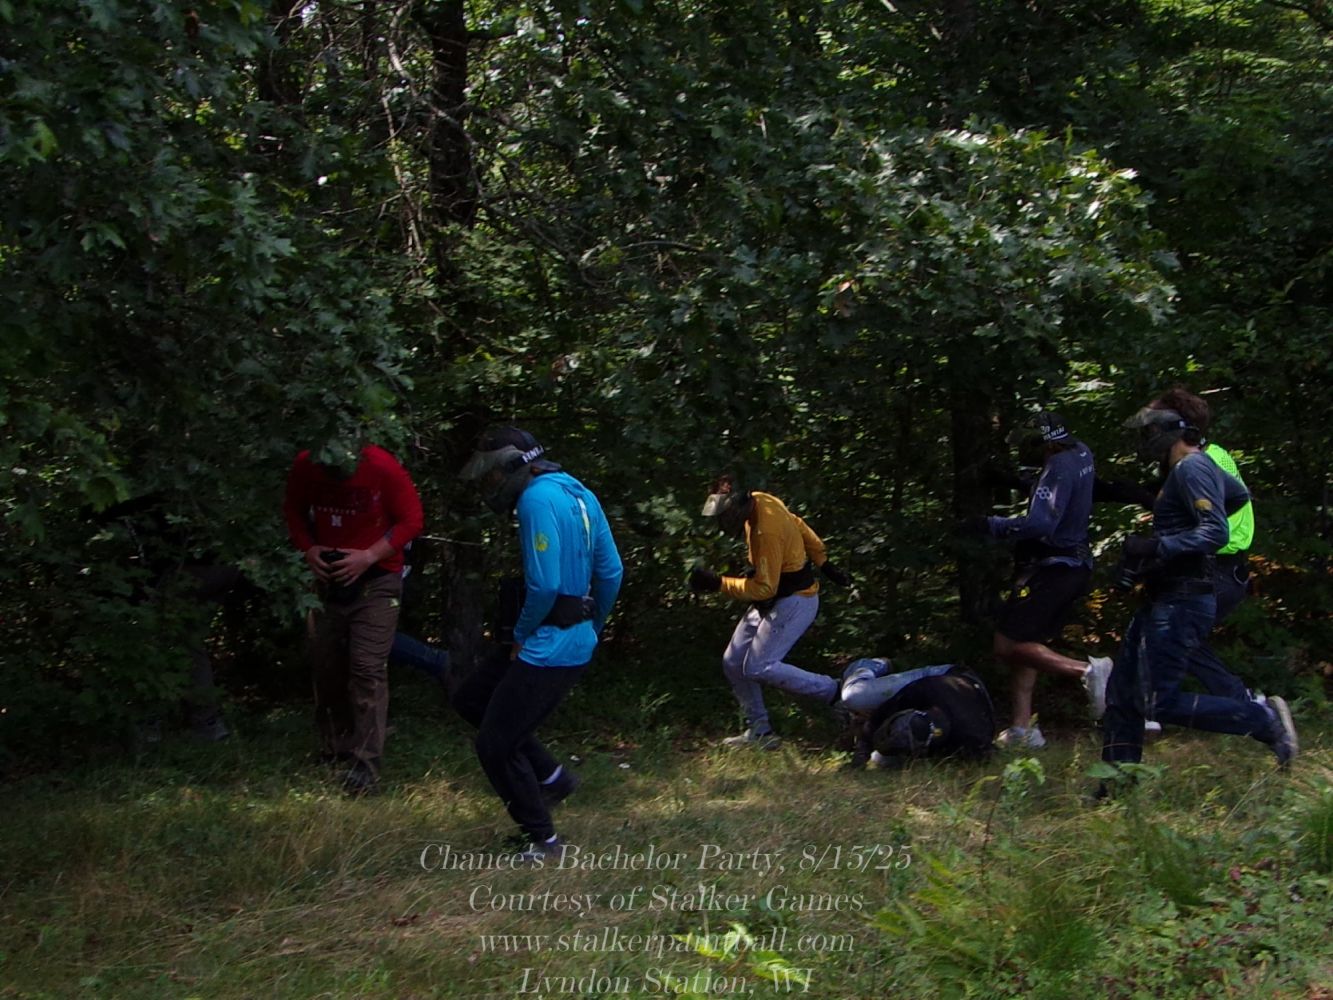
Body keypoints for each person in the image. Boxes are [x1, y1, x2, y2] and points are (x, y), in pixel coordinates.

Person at [1100, 404, 1297, 776]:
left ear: (1168, 433)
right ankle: (1116, 783)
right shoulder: (1189, 470)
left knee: (1159, 701)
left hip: (1183, 598)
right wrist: (1156, 553)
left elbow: (1216, 532)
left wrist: (1158, 547)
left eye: (1148, 433)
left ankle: (1263, 720)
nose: (1145, 441)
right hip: (1167, 593)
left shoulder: (1191, 467)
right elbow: (1237, 495)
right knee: (1123, 693)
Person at [459, 427, 623, 863]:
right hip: (567, 638)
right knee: (471, 698)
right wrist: (593, 625)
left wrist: (520, 635)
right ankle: (553, 778)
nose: (490, 484)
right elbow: (612, 572)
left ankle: (544, 843)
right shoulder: (577, 491)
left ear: (515, 465)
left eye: (493, 475)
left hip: (546, 645)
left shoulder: (534, 500)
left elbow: (545, 584)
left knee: (496, 744)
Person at [283, 443, 424, 795]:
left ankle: (366, 765)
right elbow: (293, 510)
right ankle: (335, 747)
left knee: (366, 668)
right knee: (325, 662)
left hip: (377, 579)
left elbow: (412, 520)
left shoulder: (382, 466)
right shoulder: (306, 464)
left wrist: (369, 556)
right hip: (327, 579)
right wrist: (309, 549)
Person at [966, 412, 1111, 749]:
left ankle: (1088, 672)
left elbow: (1040, 524)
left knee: (1006, 645)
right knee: (1026, 641)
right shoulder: (1081, 453)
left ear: (1044, 443)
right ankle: (1022, 728)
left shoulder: (1057, 466)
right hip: (1073, 564)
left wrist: (991, 525)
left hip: (1053, 568)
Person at [689, 474, 851, 748]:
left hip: (795, 600)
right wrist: (823, 561)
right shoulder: (761, 500)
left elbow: (764, 588)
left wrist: (718, 583)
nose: (723, 520)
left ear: (738, 506)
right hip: (776, 598)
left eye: (726, 513)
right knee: (733, 662)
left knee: (759, 666)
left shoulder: (766, 530)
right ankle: (760, 732)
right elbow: (797, 523)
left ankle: (834, 692)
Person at [838, 658, 994, 768]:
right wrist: (861, 752)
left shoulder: (972, 739)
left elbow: (985, 755)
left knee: (883, 760)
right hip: (946, 677)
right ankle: (868, 665)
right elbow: (880, 716)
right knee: (855, 697)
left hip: (968, 695)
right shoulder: (926, 690)